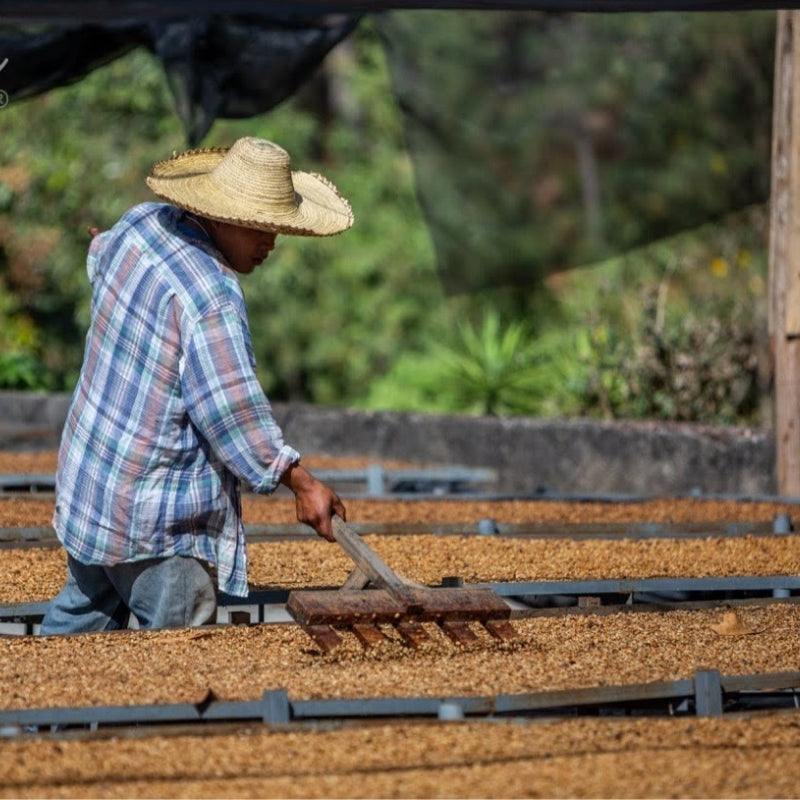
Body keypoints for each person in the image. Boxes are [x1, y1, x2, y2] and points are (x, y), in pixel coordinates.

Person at [40, 137, 353, 635]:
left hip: (94, 486)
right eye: (259, 226)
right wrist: (302, 482)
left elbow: (101, 255)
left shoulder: (143, 224)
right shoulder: (212, 296)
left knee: (80, 621)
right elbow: (230, 410)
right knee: (177, 658)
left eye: (277, 227)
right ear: (222, 215)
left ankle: (30, 710)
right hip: (157, 519)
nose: (270, 240)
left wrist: (103, 245)